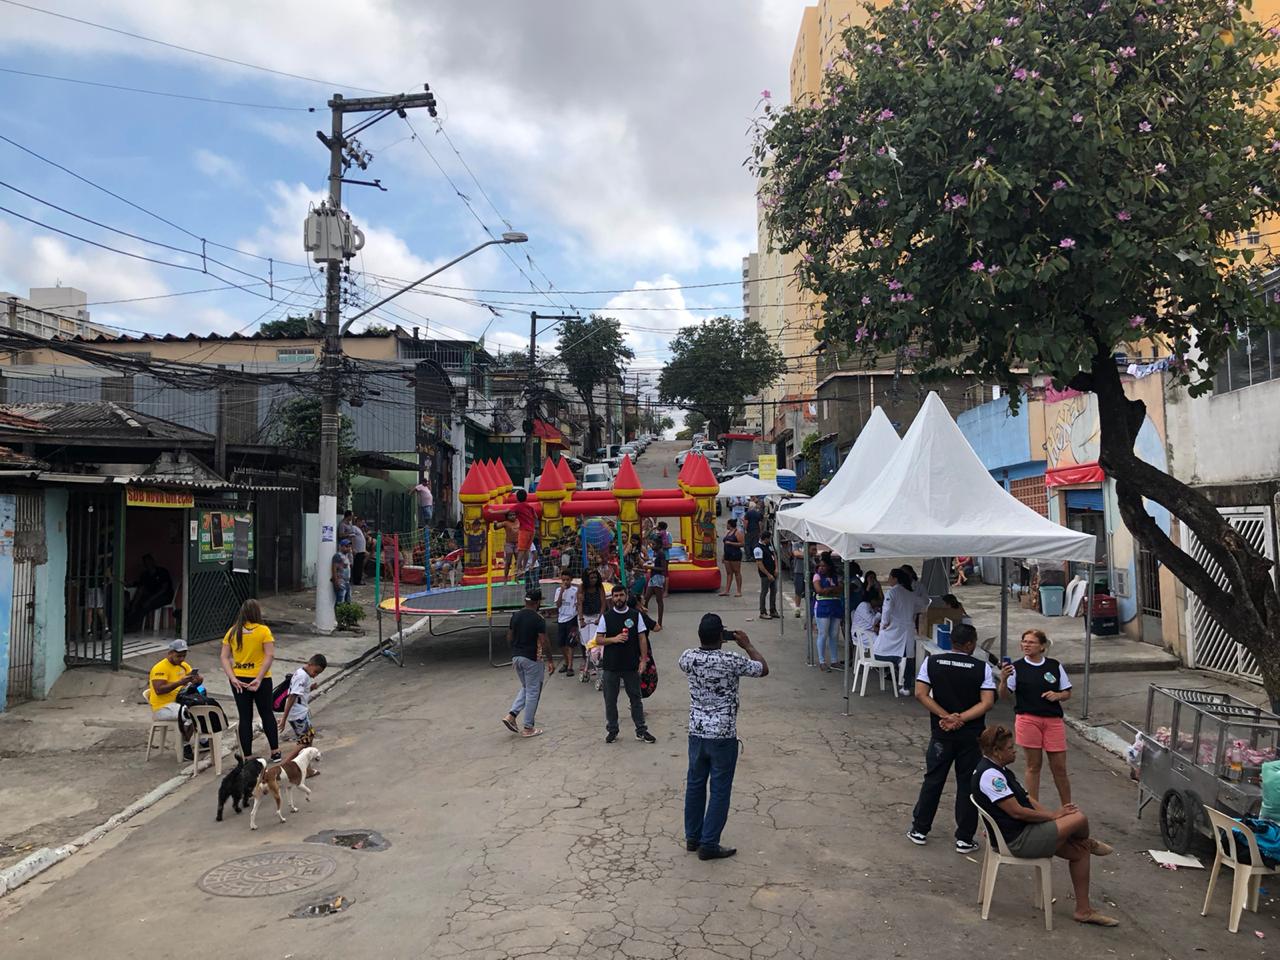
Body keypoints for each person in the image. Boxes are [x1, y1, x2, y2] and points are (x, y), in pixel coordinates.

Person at [972, 725, 1118, 927]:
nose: (1014, 751)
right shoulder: (991, 776)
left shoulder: (1001, 770)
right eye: (1010, 748)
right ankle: (1088, 840)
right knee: (1079, 818)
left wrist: (1054, 818)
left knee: (1080, 851)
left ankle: (1084, 910)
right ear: (996, 751)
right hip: (1018, 840)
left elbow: (1027, 800)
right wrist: (1053, 815)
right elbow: (1017, 811)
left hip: (1026, 831)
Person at [680, 614, 769, 861]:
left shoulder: (687, 658)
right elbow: (763, 669)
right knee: (719, 789)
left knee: (695, 785)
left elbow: (689, 662)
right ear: (722, 636)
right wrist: (748, 645)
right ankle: (709, 843)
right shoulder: (731, 660)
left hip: (696, 732)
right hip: (723, 733)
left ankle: (693, 837)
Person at [907, 622, 996, 852]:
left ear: (951, 641)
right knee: (967, 784)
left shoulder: (932, 662)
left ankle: (919, 829)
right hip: (971, 736)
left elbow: (920, 693)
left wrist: (946, 717)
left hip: (941, 733)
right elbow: (987, 702)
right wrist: (962, 719)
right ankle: (964, 838)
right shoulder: (982, 668)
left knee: (933, 780)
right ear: (970, 644)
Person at [999, 629, 1074, 804]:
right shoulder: (1016, 668)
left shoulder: (1054, 666)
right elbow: (1004, 695)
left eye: (1031, 642)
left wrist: (1058, 695)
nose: (1026, 645)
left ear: (1042, 646)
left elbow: (1067, 692)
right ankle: (1033, 806)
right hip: (1028, 719)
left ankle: (1067, 805)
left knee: (1059, 767)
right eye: (1024, 641)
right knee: (1033, 765)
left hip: (1053, 720)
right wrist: (1003, 679)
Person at [591, 584, 655, 744]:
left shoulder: (635, 615)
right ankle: (612, 730)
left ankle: (641, 730)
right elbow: (598, 639)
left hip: (631, 665)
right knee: (610, 700)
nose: (618, 598)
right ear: (612, 599)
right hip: (611, 666)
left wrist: (643, 660)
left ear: (626, 596)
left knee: (636, 699)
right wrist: (614, 639)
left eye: (621, 595)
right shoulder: (607, 617)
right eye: (615, 596)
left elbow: (642, 638)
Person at [219, 598, 280, 761]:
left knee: (244, 717)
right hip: (261, 678)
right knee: (267, 713)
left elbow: (224, 657)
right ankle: (275, 751)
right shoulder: (263, 631)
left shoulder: (232, 632)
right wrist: (259, 678)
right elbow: (270, 654)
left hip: (239, 678)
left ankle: (247, 755)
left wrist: (232, 678)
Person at [502, 589, 553, 738]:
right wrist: (550, 659)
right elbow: (544, 641)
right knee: (533, 691)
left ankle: (511, 715)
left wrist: (514, 652)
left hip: (517, 657)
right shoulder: (538, 619)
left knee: (526, 687)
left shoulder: (516, 616)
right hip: (531, 658)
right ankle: (528, 727)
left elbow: (509, 636)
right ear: (537, 603)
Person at [147, 639, 200, 749]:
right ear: (170, 653)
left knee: (202, 708)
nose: (181, 659)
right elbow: (159, 690)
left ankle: (203, 739)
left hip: (179, 701)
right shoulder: (160, 668)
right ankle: (184, 745)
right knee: (190, 713)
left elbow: (196, 680)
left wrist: (197, 679)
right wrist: (180, 683)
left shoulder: (183, 665)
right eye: (178, 656)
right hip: (162, 707)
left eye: (183, 656)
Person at [875, 567, 917, 696]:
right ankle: (906, 686)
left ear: (895, 579)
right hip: (908, 627)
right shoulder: (911, 593)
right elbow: (919, 607)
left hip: (895, 628)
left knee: (877, 652)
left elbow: (886, 611)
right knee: (909, 657)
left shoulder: (892, 593)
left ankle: (896, 661)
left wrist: (883, 625)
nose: (888, 580)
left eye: (890, 577)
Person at [279, 654, 327, 742]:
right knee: (304, 742)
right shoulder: (302, 676)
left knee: (309, 738)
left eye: (318, 673)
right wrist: (283, 719)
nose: (315, 675)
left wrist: (310, 688)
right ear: (310, 664)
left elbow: (301, 693)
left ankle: (308, 755)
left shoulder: (304, 674)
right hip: (297, 715)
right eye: (315, 672)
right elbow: (292, 697)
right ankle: (290, 757)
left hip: (302, 713)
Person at [126, 554, 174, 630]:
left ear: (153, 562)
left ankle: (134, 626)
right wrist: (134, 604)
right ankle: (126, 624)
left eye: (149, 561)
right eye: (146, 562)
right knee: (133, 604)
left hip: (164, 596)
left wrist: (150, 600)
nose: (148, 564)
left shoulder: (162, 572)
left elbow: (164, 589)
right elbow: (141, 589)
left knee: (146, 605)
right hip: (150, 596)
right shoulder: (145, 575)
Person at [812, 556, 843, 672]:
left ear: (829, 567)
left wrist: (828, 590)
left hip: (835, 606)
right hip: (822, 606)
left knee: (834, 634)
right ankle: (822, 661)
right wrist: (833, 589)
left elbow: (841, 588)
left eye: (824, 566)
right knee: (823, 634)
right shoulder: (817, 576)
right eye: (820, 566)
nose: (821, 568)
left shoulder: (835, 576)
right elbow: (819, 590)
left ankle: (834, 660)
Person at [577, 567, 607, 685]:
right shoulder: (582, 588)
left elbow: (603, 603)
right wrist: (581, 619)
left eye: (595, 577)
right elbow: (579, 604)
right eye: (591, 578)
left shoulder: (599, 587)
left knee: (594, 643)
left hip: (596, 616)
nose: (593, 580)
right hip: (584, 616)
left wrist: (600, 618)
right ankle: (588, 665)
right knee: (586, 643)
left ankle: (596, 666)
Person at [551, 570, 581, 677]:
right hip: (561, 619)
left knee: (570, 643)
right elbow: (558, 605)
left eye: (567, 580)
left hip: (571, 618)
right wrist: (561, 593)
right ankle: (566, 661)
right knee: (561, 643)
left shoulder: (575, 590)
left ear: (571, 580)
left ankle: (570, 666)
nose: (565, 582)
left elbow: (577, 604)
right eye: (563, 580)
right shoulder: (558, 590)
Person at [511, 488, 539, 579]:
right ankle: (522, 568)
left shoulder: (518, 506)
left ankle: (518, 569)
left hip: (525, 530)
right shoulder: (529, 507)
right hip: (531, 530)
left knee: (521, 550)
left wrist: (494, 512)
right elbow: (535, 516)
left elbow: (508, 511)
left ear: (517, 498)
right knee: (526, 550)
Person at [753, 528, 778, 619]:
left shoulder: (769, 545)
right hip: (765, 575)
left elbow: (774, 555)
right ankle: (762, 611)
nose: (770, 540)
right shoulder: (758, 549)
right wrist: (768, 575)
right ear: (765, 538)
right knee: (764, 592)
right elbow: (759, 563)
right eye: (769, 538)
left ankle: (773, 610)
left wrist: (776, 568)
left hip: (773, 572)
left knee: (774, 591)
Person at [642, 540, 668, 627]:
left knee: (659, 600)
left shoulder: (661, 554)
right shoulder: (655, 553)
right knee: (646, 598)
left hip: (658, 577)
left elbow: (663, 568)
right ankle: (646, 620)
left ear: (659, 545)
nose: (652, 546)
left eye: (654, 544)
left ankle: (659, 622)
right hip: (653, 577)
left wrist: (650, 567)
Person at [339, 512, 368, 587]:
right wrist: (353, 547)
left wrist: (364, 528)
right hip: (355, 549)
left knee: (358, 564)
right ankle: (355, 580)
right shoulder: (352, 527)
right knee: (356, 565)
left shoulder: (354, 527)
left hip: (359, 549)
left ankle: (356, 579)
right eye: (351, 516)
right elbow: (351, 537)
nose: (352, 518)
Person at [719, 518, 745, 597]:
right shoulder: (728, 533)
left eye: (727, 524)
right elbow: (725, 545)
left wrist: (731, 543)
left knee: (737, 572)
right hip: (727, 555)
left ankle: (739, 591)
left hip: (735, 555)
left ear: (730, 525)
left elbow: (742, 544)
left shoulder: (737, 533)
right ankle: (727, 590)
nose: (726, 525)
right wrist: (724, 555)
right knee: (729, 573)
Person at [496, 510, 520, 581]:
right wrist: (495, 524)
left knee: (518, 561)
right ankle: (505, 577)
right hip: (509, 544)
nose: (513, 516)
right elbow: (496, 527)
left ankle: (517, 577)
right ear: (507, 517)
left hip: (517, 543)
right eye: (510, 515)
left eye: (514, 515)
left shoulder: (518, 521)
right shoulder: (506, 523)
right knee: (508, 561)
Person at [331, 538, 353, 606]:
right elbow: (334, 569)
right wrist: (336, 581)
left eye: (349, 546)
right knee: (340, 600)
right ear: (341, 546)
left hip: (347, 581)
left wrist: (351, 554)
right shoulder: (338, 556)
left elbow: (351, 564)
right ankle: (338, 615)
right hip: (341, 581)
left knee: (348, 599)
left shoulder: (347, 556)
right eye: (346, 546)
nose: (348, 548)